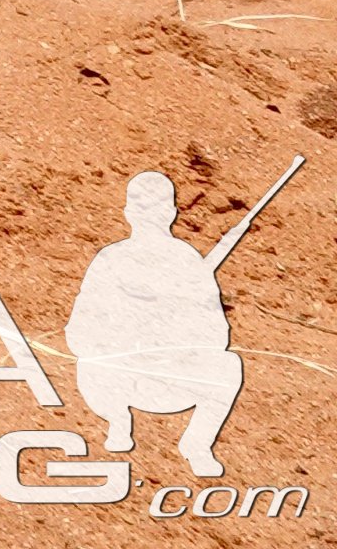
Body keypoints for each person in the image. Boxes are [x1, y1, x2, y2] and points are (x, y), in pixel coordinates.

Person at [66, 172, 246, 477]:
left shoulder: (182, 261)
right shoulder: (116, 259)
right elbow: (78, 333)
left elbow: (216, 336)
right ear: (171, 213)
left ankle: (193, 444)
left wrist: (174, 337)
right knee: (89, 361)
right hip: (120, 379)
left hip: (161, 379)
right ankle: (119, 421)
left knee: (228, 365)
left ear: (129, 213)